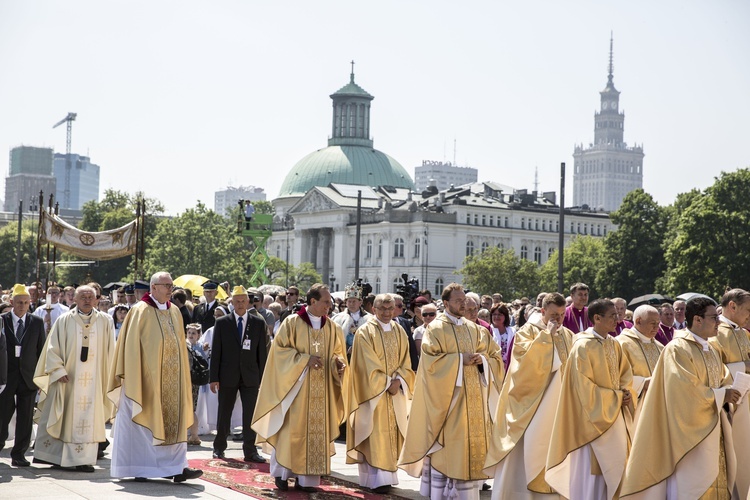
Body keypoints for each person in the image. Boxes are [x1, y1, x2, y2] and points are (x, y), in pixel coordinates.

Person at [621, 296, 740, 499]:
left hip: (714, 427)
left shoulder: (711, 349)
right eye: (714, 318)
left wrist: (733, 390)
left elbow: (722, 378)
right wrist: (722, 395)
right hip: (688, 435)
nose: (719, 323)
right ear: (697, 320)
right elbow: (684, 391)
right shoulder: (677, 349)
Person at [399, 283, 504, 500]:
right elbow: (430, 364)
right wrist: (458, 361)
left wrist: (481, 360)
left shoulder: (475, 329)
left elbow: (495, 356)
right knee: (449, 452)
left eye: (464, 299)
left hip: (475, 404)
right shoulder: (436, 329)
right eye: (458, 300)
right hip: (449, 404)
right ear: (446, 303)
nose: (463, 303)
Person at [107, 272, 202, 483]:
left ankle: (178, 467)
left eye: (171, 285)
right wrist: (136, 376)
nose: (170, 289)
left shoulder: (175, 311)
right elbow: (130, 348)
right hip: (144, 380)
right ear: (154, 287)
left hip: (172, 380)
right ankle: (140, 467)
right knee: (143, 424)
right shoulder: (140, 311)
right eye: (166, 285)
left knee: (174, 422)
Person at [252, 284, 347, 492]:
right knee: (290, 432)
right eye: (326, 302)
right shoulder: (292, 323)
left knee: (315, 434)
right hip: (294, 391)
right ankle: (282, 475)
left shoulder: (332, 328)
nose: (329, 306)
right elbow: (279, 353)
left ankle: (308, 480)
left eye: (330, 302)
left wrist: (337, 364)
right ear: (313, 302)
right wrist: (305, 360)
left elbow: (336, 354)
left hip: (321, 393)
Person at [484, 292, 574, 499]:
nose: (558, 319)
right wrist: (546, 337)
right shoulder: (528, 332)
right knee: (529, 451)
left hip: (559, 405)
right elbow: (522, 367)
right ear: (542, 311)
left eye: (561, 315)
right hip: (533, 405)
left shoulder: (567, 335)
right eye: (553, 315)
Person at [545, 299, 634, 500]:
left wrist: (626, 392)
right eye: (612, 315)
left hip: (614, 417)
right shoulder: (582, 347)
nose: (617, 319)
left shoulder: (614, 344)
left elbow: (625, 375)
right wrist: (617, 397)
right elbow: (583, 389)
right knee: (592, 480)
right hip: (590, 423)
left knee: (615, 472)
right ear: (597, 318)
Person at [32, 285, 114, 472]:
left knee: (88, 419)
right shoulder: (64, 320)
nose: (87, 300)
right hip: (67, 380)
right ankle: (53, 456)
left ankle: (83, 459)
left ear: (96, 300)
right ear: (74, 299)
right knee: (61, 415)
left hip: (94, 381)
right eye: (83, 296)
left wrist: (110, 375)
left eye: (90, 297)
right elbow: (52, 348)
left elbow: (111, 351)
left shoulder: (104, 321)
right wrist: (58, 370)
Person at [346, 293, 415, 493]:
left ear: (395, 310)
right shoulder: (365, 332)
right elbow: (365, 364)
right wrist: (386, 383)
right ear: (373, 309)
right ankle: (374, 479)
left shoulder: (399, 330)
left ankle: (387, 477)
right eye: (382, 309)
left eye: (390, 308)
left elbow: (406, 361)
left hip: (394, 393)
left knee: (391, 433)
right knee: (374, 432)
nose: (386, 312)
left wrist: (399, 381)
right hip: (373, 394)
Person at [210, 285, 267, 463]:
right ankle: (219, 448)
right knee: (224, 413)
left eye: (243, 301)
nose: (240, 304)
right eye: (237, 301)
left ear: (248, 302)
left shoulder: (258, 323)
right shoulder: (222, 323)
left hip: (250, 376)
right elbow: (216, 352)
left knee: (250, 414)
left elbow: (262, 353)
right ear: (232, 303)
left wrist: (263, 378)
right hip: (228, 375)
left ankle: (250, 450)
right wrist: (214, 378)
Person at [708, 288, 750, 498]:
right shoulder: (716, 332)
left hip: (747, 403)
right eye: (747, 310)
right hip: (732, 406)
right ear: (732, 306)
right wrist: (745, 365)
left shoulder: (742, 333)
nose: (749, 316)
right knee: (737, 457)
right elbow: (715, 368)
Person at [0, 284, 46, 466]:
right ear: (11, 302)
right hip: (7, 376)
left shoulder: (36, 322)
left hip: (28, 376)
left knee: (26, 417)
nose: (22, 306)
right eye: (19, 302)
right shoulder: (2, 320)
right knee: (3, 414)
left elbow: (41, 350)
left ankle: (19, 454)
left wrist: (41, 377)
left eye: (26, 302)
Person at [616, 305, 663, 428]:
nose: (656, 327)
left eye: (658, 323)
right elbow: (616, 377)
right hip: (635, 407)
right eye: (653, 323)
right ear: (638, 321)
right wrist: (642, 383)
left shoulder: (660, 347)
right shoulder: (621, 343)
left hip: (659, 404)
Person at [332, 283, 370, 358]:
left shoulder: (370, 319)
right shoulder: (337, 318)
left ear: (360, 302)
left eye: (354, 301)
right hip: (343, 356)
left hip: (363, 356)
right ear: (346, 303)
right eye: (349, 301)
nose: (351, 304)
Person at [185, 323, 206, 446]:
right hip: (188, 380)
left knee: (191, 408)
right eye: (189, 333)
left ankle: (194, 435)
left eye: (194, 333)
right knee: (190, 408)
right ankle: (193, 435)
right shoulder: (185, 345)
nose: (191, 335)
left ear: (198, 335)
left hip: (193, 381)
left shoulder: (199, 347)